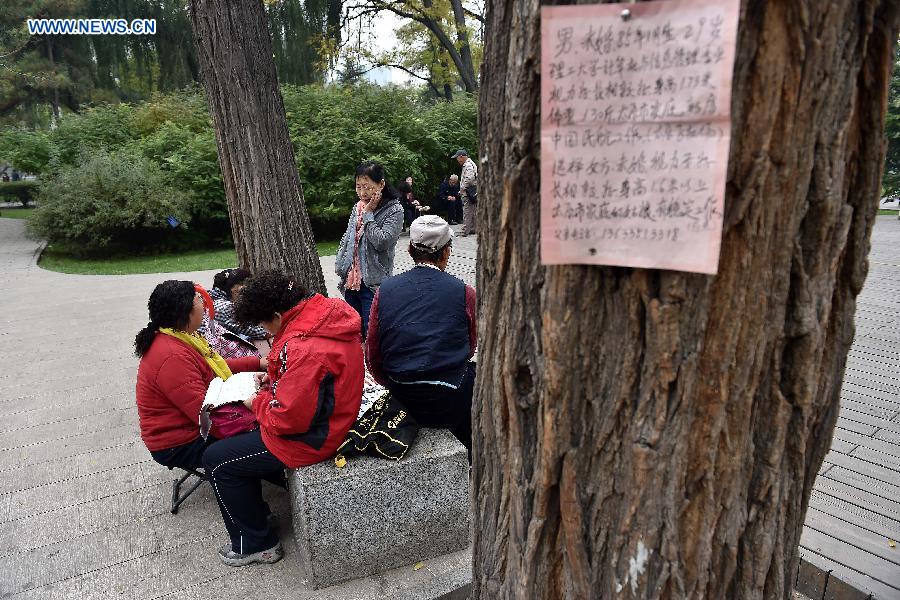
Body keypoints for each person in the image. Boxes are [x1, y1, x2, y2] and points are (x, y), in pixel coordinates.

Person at [202, 270, 364, 567]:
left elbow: (287, 420)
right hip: (331, 417)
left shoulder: (304, 347)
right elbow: (308, 382)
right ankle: (257, 516)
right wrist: (275, 379)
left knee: (217, 459)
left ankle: (257, 543)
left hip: (313, 438)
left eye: (265, 324)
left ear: (277, 314)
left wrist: (256, 400)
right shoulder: (320, 315)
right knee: (234, 444)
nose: (266, 332)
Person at [365, 215, 476, 451]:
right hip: (451, 399)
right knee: (472, 376)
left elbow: (373, 354)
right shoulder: (464, 291)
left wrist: (394, 380)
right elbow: (470, 347)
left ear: (409, 249)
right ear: (446, 252)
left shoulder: (384, 291)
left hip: (403, 396)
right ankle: (471, 456)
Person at [134, 280, 266, 471]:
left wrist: (258, 363)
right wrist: (250, 413)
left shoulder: (180, 336)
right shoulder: (172, 355)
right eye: (199, 301)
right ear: (185, 311)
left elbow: (209, 367)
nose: (205, 306)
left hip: (189, 424)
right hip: (178, 442)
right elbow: (206, 414)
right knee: (261, 436)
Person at [334, 160, 404, 340]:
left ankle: (373, 367)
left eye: (367, 187)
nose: (362, 193)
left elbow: (382, 242)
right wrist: (341, 263)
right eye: (358, 187)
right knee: (354, 332)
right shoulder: (356, 207)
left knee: (372, 332)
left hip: (373, 282)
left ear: (381, 184)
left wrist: (368, 214)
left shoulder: (394, 210)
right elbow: (349, 237)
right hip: (351, 280)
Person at [209, 268, 269, 341]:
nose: (246, 288)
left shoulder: (212, 298)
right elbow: (262, 333)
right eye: (243, 284)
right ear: (232, 289)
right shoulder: (224, 307)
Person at [451, 149, 478, 237]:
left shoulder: (468, 165)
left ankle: (465, 231)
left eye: (457, 158)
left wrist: (462, 189)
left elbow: (469, 179)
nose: (457, 160)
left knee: (467, 211)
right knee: (472, 210)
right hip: (471, 191)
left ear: (461, 157)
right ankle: (473, 228)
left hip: (468, 191)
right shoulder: (470, 163)